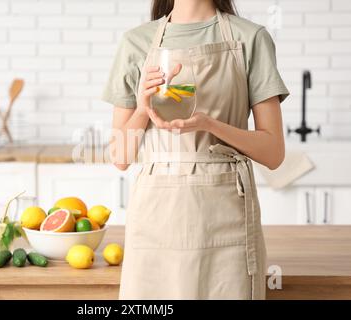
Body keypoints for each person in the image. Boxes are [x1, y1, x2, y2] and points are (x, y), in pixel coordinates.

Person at [102, 0, 289, 300]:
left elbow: (273, 152)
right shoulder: (136, 43)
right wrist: (141, 108)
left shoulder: (250, 38)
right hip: (155, 221)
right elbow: (120, 157)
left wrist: (210, 125)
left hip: (225, 220)